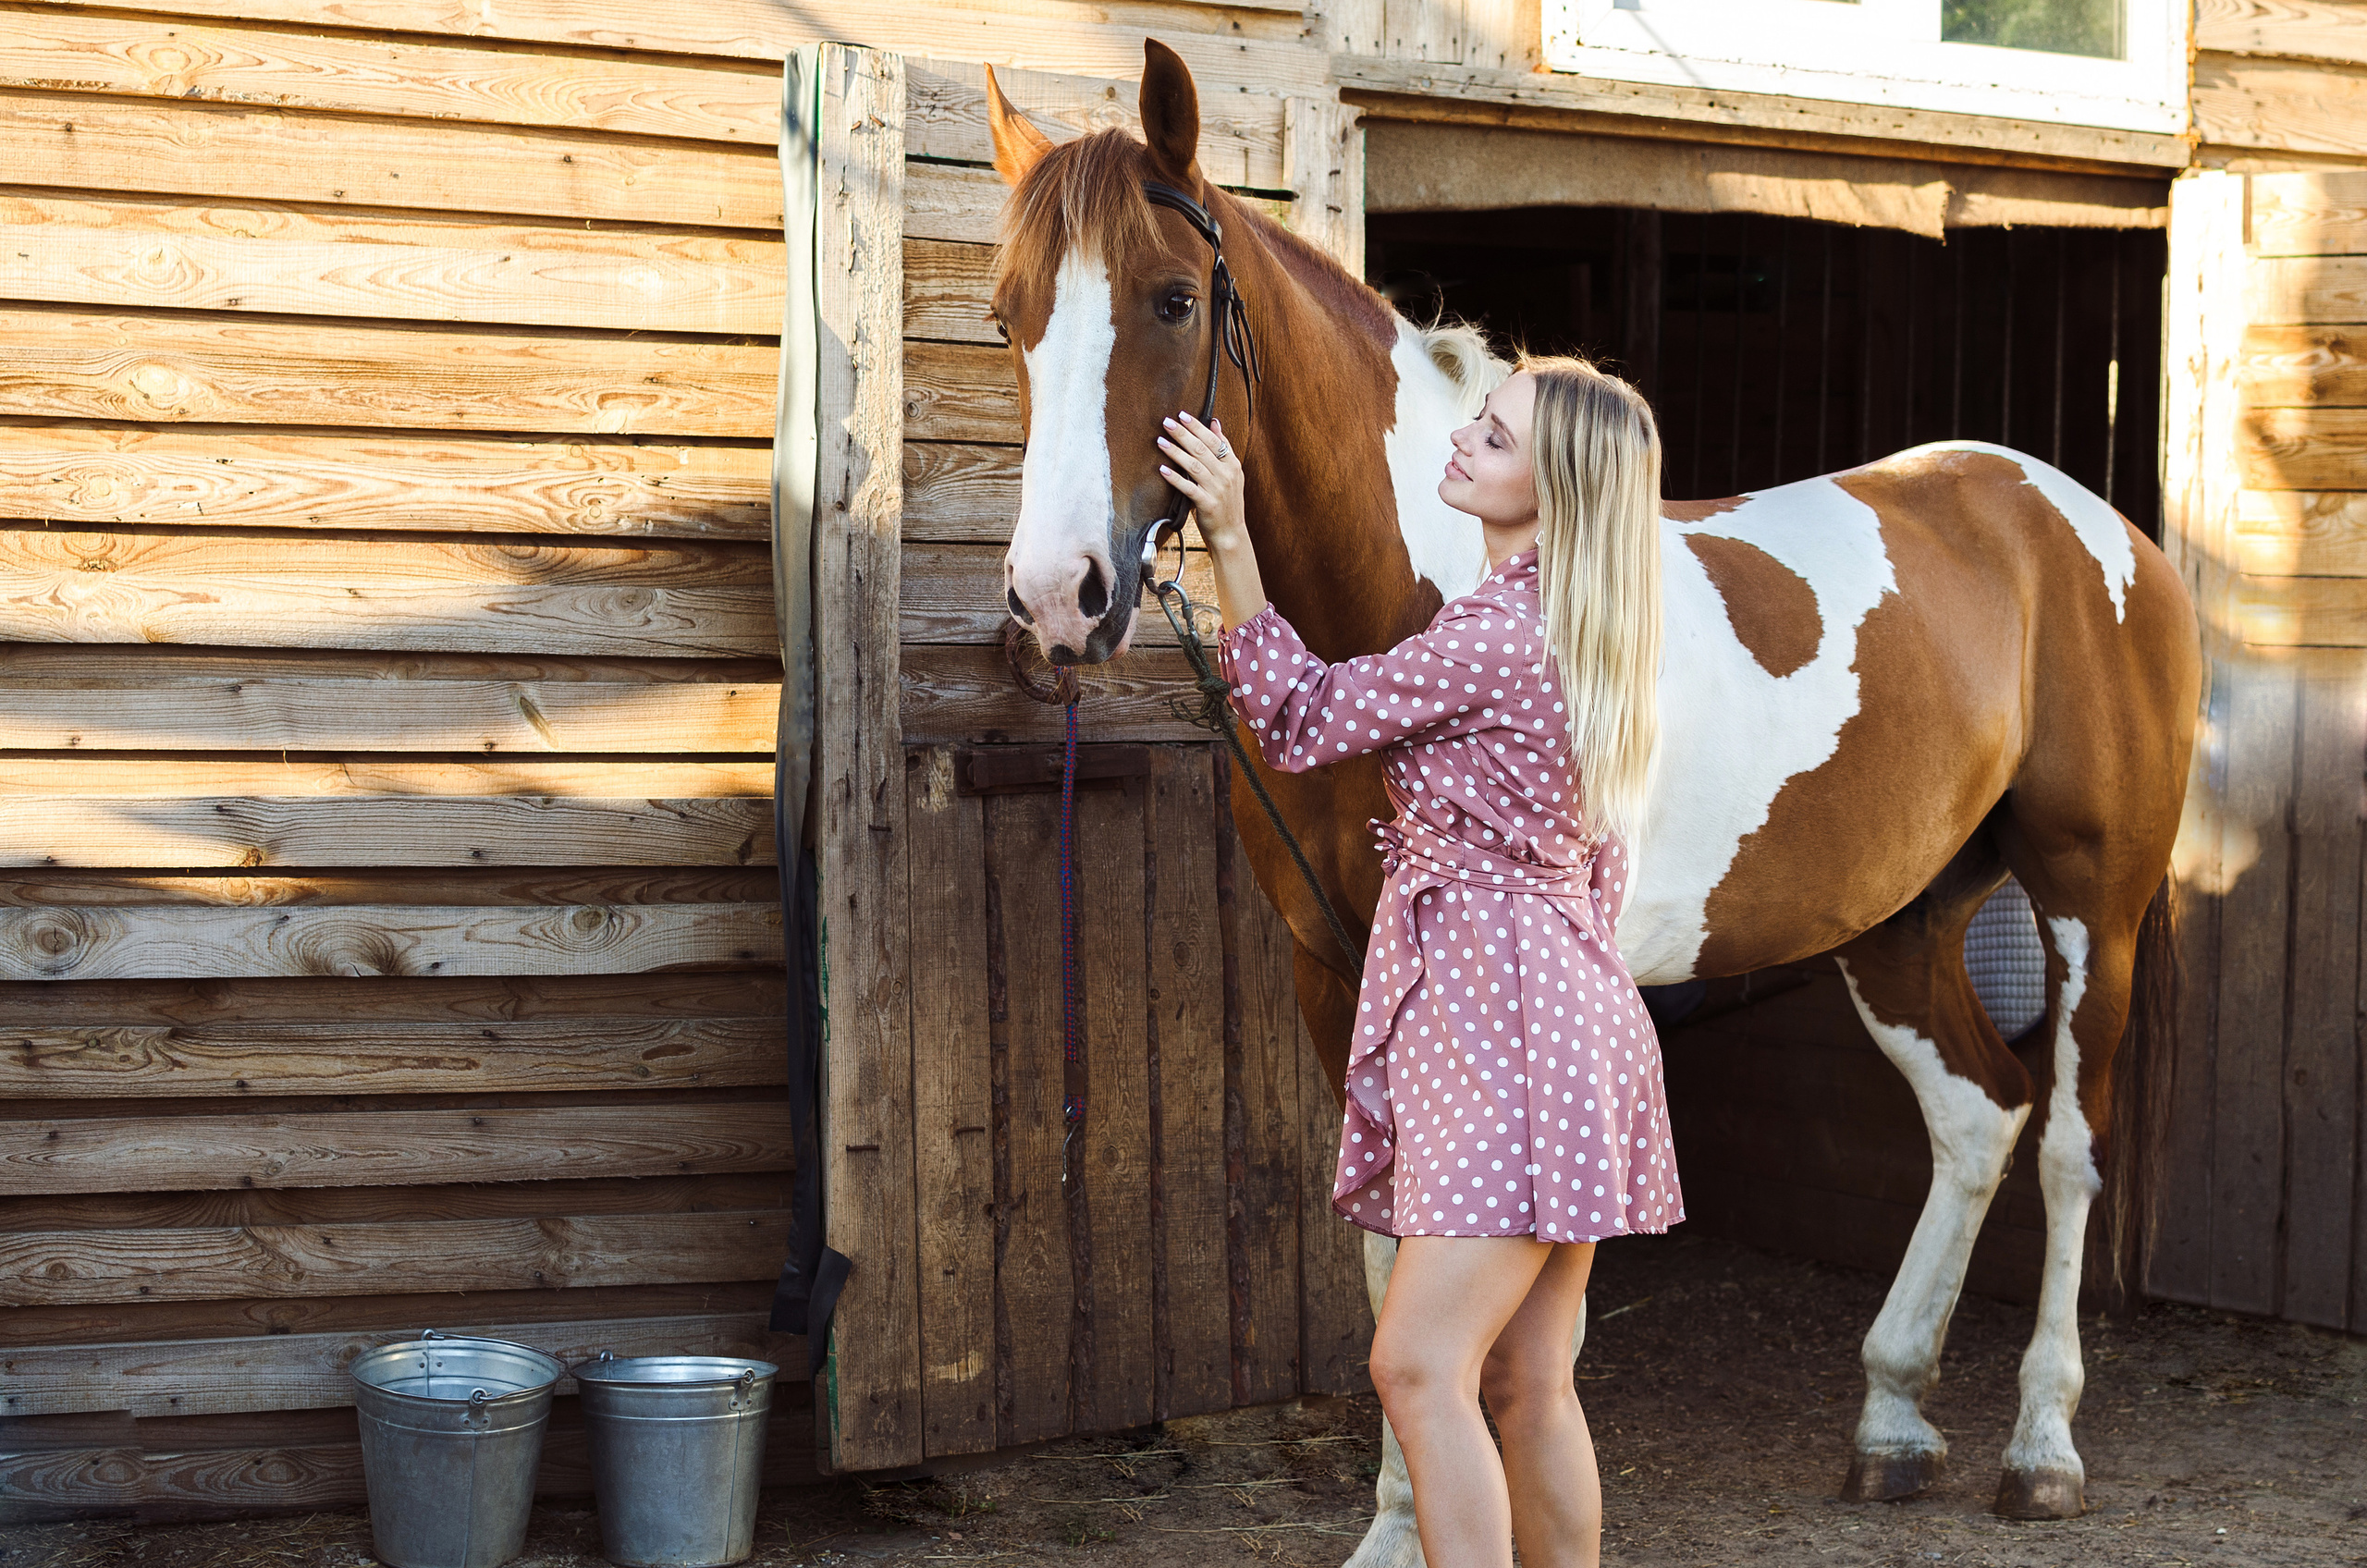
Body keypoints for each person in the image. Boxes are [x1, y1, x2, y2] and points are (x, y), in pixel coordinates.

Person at [1156, 356, 1681, 1568]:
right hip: (1567, 1004)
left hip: (1504, 1014)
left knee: (1418, 1366)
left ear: (1552, 488)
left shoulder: (1498, 634)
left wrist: (1232, 534)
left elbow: (1299, 718)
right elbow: (1599, 868)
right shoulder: (1582, 627)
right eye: (1478, 423)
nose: (1460, 442)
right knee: (1530, 1380)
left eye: (1493, 441)